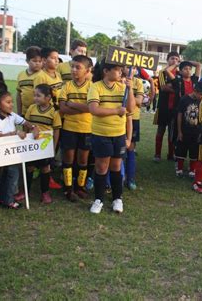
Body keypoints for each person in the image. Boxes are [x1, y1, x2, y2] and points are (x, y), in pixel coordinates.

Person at [87, 59, 134, 214]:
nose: (120, 72)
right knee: (101, 167)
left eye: (121, 69)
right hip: (101, 134)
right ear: (106, 71)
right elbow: (94, 109)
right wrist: (115, 111)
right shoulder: (96, 87)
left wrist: (130, 89)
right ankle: (98, 199)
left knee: (116, 167)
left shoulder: (123, 87)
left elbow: (130, 109)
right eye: (117, 69)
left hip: (118, 134)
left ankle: (117, 198)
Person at [0, 83, 37, 209]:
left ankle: (2, 198)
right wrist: (14, 133)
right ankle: (8, 201)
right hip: (1, 153)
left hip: (12, 152)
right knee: (12, 174)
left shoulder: (11, 115)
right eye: (8, 102)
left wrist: (34, 128)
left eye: (12, 102)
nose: (12, 104)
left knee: (8, 174)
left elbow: (25, 122)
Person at [58, 55, 93, 201]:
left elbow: (92, 108)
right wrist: (83, 108)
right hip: (69, 128)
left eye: (78, 67)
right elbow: (62, 109)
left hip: (86, 129)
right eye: (72, 66)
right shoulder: (66, 86)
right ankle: (68, 189)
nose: (73, 70)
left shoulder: (92, 87)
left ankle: (80, 187)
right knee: (68, 160)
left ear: (87, 70)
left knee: (83, 161)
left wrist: (72, 104)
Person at [23, 84, 61, 204]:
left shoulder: (54, 112)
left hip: (45, 146)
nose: (35, 98)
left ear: (48, 97)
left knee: (45, 168)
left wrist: (53, 147)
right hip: (32, 144)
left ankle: (45, 192)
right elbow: (26, 124)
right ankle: (25, 191)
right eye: (34, 95)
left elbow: (56, 131)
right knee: (29, 167)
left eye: (38, 96)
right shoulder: (31, 108)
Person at [175, 81, 202, 178]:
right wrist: (179, 131)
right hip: (185, 130)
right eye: (200, 94)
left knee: (194, 151)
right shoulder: (184, 99)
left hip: (197, 131)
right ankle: (179, 168)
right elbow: (180, 115)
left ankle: (192, 170)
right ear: (195, 90)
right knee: (181, 149)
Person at [153, 51, 180, 162]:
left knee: (172, 132)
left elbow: (180, 89)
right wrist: (176, 89)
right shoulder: (162, 72)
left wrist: (173, 87)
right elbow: (163, 88)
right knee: (161, 130)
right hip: (163, 107)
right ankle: (157, 154)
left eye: (176, 59)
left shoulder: (179, 74)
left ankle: (171, 154)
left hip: (175, 107)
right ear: (168, 60)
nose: (174, 61)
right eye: (172, 58)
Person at [124, 66, 144, 190]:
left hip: (133, 118)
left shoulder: (138, 82)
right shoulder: (117, 80)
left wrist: (129, 92)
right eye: (127, 66)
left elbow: (140, 101)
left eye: (134, 67)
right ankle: (118, 177)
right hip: (118, 117)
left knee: (130, 148)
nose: (131, 69)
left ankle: (130, 177)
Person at [16, 46, 42, 116]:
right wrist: (19, 112)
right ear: (27, 61)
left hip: (38, 113)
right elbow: (19, 94)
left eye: (40, 61)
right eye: (34, 61)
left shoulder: (42, 75)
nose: (38, 63)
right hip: (25, 112)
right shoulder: (21, 75)